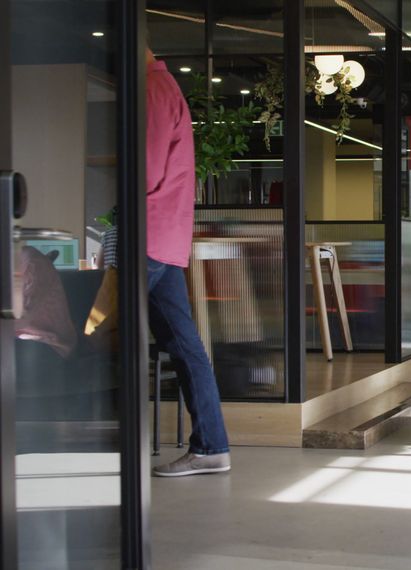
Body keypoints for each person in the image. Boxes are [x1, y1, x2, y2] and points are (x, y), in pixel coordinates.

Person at [146, 45, 232, 477]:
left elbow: (144, 171)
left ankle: (89, 444)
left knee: (91, 331)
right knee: (185, 348)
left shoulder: (153, 89)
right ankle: (211, 447)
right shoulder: (164, 86)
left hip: (148, 234)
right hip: (165, 237)